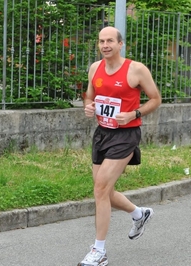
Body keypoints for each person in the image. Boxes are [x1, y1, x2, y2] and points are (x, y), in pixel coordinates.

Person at [79, 26, 162, 266]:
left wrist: (133, 113)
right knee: (102, 190)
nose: (105, 45)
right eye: (101, 41)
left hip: (125, 134)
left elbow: (155, 98)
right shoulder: (95, 68)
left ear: (120, 44)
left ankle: (99, 251)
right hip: (102, 132)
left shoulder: (136, 69)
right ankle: (139, 213)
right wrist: (88, 106)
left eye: (110, 41)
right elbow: (89, 95)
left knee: (101, 189)